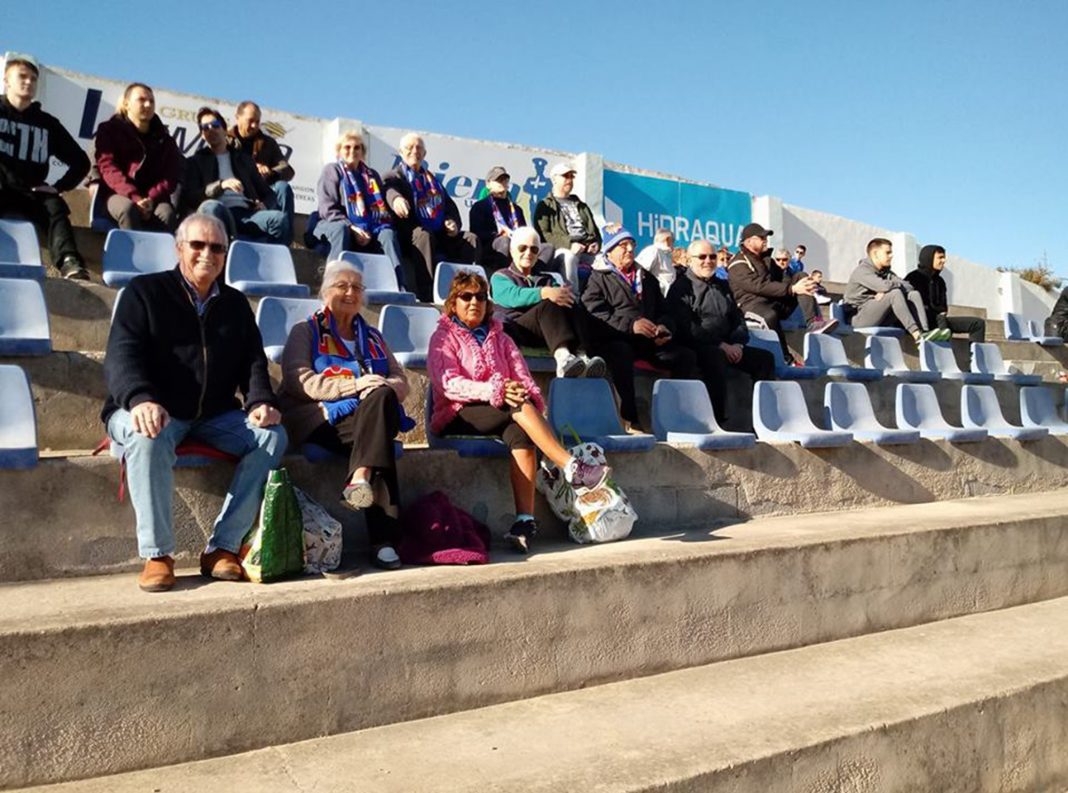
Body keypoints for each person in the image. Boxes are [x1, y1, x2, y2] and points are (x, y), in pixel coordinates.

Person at [102, 214, 286, 592]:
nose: (208, 254)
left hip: (214, 414)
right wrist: (141, 399)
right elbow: (122, 355)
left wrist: (260, 401)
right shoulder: (144, 292)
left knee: (272, 436)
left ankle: (222, 547)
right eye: (198, 245)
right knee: (145, 435)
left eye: (217, 247)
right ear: (179, 248)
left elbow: (253, 360)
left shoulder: (235, 304)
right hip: (149, 408)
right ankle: (158, 555)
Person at [428, 270, 608, 553]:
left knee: (521, 432)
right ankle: (570, 465)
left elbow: (524, 379)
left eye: (480, 297)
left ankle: (524, 522)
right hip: (457, 412)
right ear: (453, 303)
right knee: (515, 404)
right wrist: (496, 389)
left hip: (500, 409)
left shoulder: (502, 338)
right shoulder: (442, 338)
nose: (474, 302)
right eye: (466, 296)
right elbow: (448, 383)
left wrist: (525, 395)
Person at [278, 260, 412, 570]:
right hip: (318, 417)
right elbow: (299, 380)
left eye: (357, 287)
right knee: (380, 430)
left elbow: (400, 379)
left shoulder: (374, 336)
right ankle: (384, 542)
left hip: (367, 415)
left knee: (380, 400)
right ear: (325, 292)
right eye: (342, 285)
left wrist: (379, 384)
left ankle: (360, 478)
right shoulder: (306, 331)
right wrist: (354, 386)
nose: (351, 292)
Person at [582, 224, 698, 432]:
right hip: (613, 339)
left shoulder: (645, 277)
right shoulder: (598, 278)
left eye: (631, 245)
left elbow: (665, 310)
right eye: (622, 245)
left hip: (646, 341)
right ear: (609, 251)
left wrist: (664, 327)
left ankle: (676, 417)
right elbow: (594, 314)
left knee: (686, 356)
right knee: (621, 352)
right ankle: (630, 419)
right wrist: (630, 325)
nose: (629, 249)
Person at [0, 52, 90, 280]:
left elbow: (81, 162)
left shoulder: (47, 123)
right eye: (22, 76)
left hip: (31, 194)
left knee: (55, 206)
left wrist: (58, 186)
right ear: (6, 80)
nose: (29, 82)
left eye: (33, 78)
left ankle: (70, 263)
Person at [668, 240, 776, 426]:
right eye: (702, 257)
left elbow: (738, 319)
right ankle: (717, 421)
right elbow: (688, 328)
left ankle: (765, 421)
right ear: (689, 260)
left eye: (712, 256)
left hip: (730, 346)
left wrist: (738, 344)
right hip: (699, 346)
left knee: (765, 359)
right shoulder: (680, 287)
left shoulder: (723, 286)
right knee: (715, 357)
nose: (708, 261)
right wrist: (721, 345)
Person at [489, 226, 606, 378]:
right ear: (512, 251)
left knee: (570, 303)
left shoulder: (545, 278)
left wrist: (561, 294)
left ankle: (582, 355)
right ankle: (563, 358)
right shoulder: (500, 276)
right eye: (522, 248)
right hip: (519, 327)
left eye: (533, 249)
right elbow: (512, 296)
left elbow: (561, 297)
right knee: (549, 303)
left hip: (547, 330)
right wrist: (543, 292)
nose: (528, 253)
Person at [384, 132, 480, 301]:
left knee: (470, 239)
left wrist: (452, 222)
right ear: (400, 152)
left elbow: (449, 206)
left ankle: (468, 290)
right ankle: (428, 295)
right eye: (409, 147)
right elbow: (389, 190)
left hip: (440, 234)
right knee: (424, 235)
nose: (415, 151)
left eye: (419, 148)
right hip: (411, 235)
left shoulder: (433, 181)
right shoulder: (394, 176)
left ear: (424, 154)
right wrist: (396, 199)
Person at [182, 106, 291, 245]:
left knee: (279, 219)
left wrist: (265, 204)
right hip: (219, 211)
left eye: (215, 125)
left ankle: (269, 263)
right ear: (202, 135)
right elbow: (191, 196)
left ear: (224, 129)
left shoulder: (243, 160)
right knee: (211, 207)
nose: (211, 130)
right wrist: (221, 185)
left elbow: (268, 193)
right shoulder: (195, 161)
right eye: (205, 128)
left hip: (246, 213)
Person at [727, 223, 835, 363]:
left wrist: (796, 286)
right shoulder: (738, 263)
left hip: (772, 301)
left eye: (765, 236)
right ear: (748, 241)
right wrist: (791, 289)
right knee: (769, 315)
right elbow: (758, 286)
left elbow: (784, 279)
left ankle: (813, 322)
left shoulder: (767, 260)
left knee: (801, 276)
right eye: (761, 237)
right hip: (749, 305)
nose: (765, 239)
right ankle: (786, 358)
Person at [314, 131, 408, 289]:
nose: (352, 151)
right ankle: (332, 284)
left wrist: (368, 229)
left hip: (368, 229)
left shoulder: (372, 176)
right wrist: (352, 227)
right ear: (339, 151)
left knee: (387, 234)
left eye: (357, 147)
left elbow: (380, 209)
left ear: (362, 152)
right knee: (340, 228)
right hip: (332, 224)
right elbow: (327, 208)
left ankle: (398, 286)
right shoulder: (332, 170)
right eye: (347, 147)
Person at [92, 82, 180, 231]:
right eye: (141, 100)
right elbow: (108, 167)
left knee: (167, 213)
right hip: (118, 195)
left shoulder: (166, 140)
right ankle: (128, 254)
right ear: (126, 104)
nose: (147, 105)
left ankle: (159, 255)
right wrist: (134, 197)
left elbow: (170, 177)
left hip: (154, 199)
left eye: (151, 101)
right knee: (128, 209)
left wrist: (151, 199)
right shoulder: (108, 129)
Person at [843, 238, 949, 342]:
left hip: (879, 316)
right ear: (875, 254)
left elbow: (909, 286)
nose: (891, 256)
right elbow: (885, 287)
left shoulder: (886, 273)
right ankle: (916, 334)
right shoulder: (862, 271)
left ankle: (925, 331)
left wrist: (887, 289)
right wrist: (886, 289)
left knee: (913, 294)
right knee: (895, 293)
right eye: (887, 253)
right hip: (858, 318)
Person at [229, 101, 295, 241]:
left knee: (283, 187)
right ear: (237, 117)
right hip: (239, 194)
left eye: (257, 122)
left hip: (265, 194)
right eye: (250, 121)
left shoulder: (268, 142)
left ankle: (285, 239)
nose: (254, 126)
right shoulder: (227, 141)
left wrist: (270, 171)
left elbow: (287, 170)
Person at [469, 165, 553, 272]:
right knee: (504, 241)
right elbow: (477, 234)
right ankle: (503, 279)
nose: (503, 182)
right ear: (488, 184)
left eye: (505, 180)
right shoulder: (480, 207)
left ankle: (532, 277)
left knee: (547, 248)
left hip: (518, 245)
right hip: (494, 247)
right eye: (498, 180)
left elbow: (523, 231)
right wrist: (499, 233)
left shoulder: (516, 209)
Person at [533, 162, 601, 291]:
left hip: (586, 249)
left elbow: (595, 231)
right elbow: (544, 235)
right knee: (568, 258)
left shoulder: (582, 205)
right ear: (554, 179)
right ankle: (573, 301)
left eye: (571, 176)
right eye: (565, 176)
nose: (569, 180)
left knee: (607, 262)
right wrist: (569, 244)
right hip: (562, 250)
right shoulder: (545, 205)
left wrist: (595, 243)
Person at [904, 244, 986, 342]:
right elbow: (912, 306)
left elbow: (943, 308)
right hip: (922, 322)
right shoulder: (913, 277)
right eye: (940, 257)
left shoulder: (940, 281)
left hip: (939, 320)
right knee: (941, 322)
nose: (944, 261)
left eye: (944, 257)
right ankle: (943, 348)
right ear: (929, 258)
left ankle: (974, 356)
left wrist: (940, 313)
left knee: (977, 323)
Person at [636, 228, 678, 296]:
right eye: (673, 241)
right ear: (668, 240)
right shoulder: (653, 250)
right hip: (654, 297)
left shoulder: (665, 255)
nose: (673, 244)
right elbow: (639, 271)